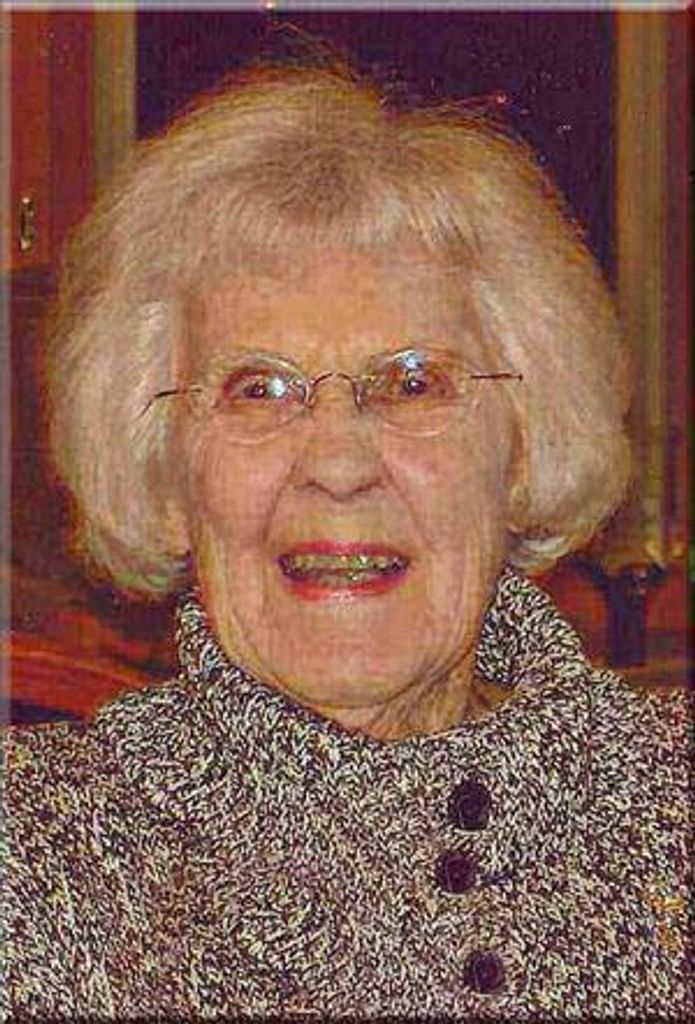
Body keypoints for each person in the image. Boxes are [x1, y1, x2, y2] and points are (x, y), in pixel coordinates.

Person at [3, 62, 690, 1020]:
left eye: (412, 383)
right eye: (258, 389)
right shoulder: (33, 860)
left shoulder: (669, 804)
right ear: (164, 480)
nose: (335, 462)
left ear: (523, 450)